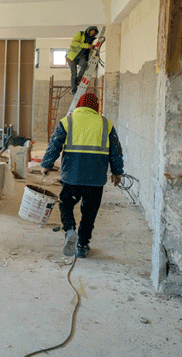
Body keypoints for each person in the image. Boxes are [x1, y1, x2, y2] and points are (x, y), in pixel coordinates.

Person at [40, 93, 124, 258]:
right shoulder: (106, 124)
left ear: (79, 105)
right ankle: (83, 245)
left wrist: (46, 164)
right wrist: (117, 172)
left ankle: (70, 230)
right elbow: (116, 151)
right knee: (89, 212)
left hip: (72, 176)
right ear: (96, 107)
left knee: (65, 204)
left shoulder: (68, 121)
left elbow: (54, 144)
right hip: (96, 179)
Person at [66, 26, 99, 93]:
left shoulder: (92, 39)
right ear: (88, 30)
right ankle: (74, 89)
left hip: (81, 56)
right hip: (72, 56)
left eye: (94, 32)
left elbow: (89, 50)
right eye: (92, 31)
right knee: (74, 73)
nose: (92, 33)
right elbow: (74, 43)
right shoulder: (80, 34)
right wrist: (87, 46)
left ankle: (78, 79)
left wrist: (93, 52)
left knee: (84, 65)